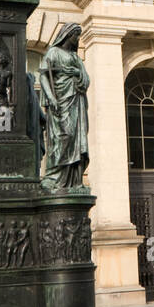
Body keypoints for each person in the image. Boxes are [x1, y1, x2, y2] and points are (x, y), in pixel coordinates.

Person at [38, 22, 90, 191]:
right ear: (68, 35)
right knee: (63, 137)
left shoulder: (75, 57)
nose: (78, 39)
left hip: (76, 101)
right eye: (76, 36)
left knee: (76, 138)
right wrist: (51, 98)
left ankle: (74, 180)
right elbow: (44, 76)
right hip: (60, 103)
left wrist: (77, 73)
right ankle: (54, 176)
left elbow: (86, 79)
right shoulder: (54, 52)